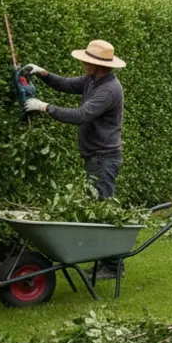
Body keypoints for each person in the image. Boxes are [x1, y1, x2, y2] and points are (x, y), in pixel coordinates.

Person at [22, 39, 126, 278]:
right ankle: (108, 263)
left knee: (103, 211)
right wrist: (44, 73)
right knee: (98, 208)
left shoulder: (108, 90)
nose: (81, 63)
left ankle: (113, 266)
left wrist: (44, 107)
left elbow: (81, 115)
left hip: (103, 158)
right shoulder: (93, 80)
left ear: (97, 65)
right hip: (96, 156)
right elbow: (67, 85)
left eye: (86, 60)